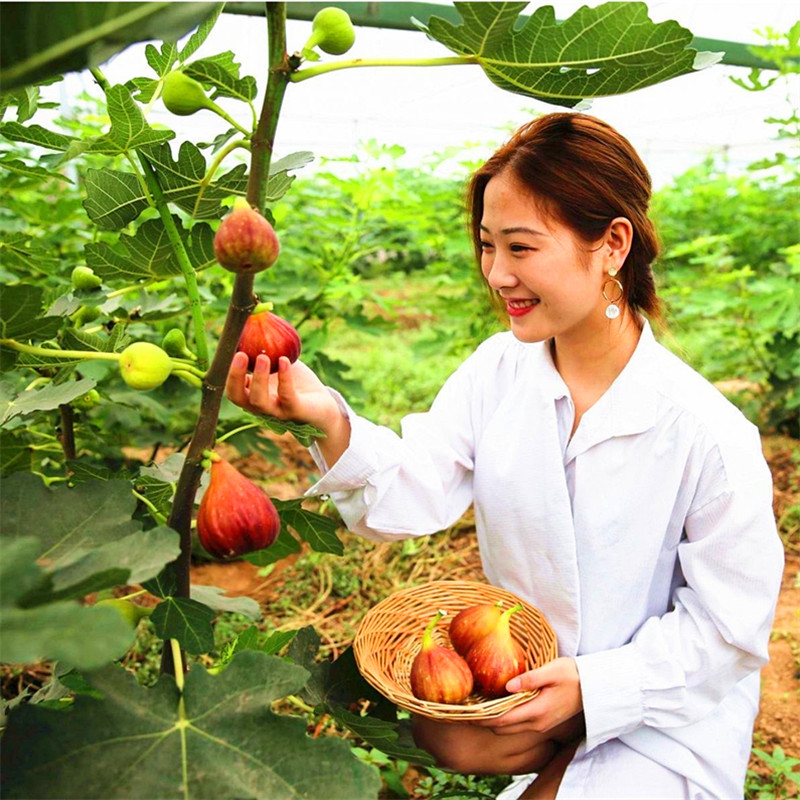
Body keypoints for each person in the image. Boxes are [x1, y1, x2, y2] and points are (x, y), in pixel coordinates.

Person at [225, 112, 784, 799]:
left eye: (521, 249)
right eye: (488, 247)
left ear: (611, 245)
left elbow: (729, 632)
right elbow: (414, 488)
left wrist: (596, 687)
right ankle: (563, 753)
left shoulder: (705, 431)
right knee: (445, 732)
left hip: (668, 700)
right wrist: (324, 416)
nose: (497, 274)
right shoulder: (499, 371)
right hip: (532, 675)